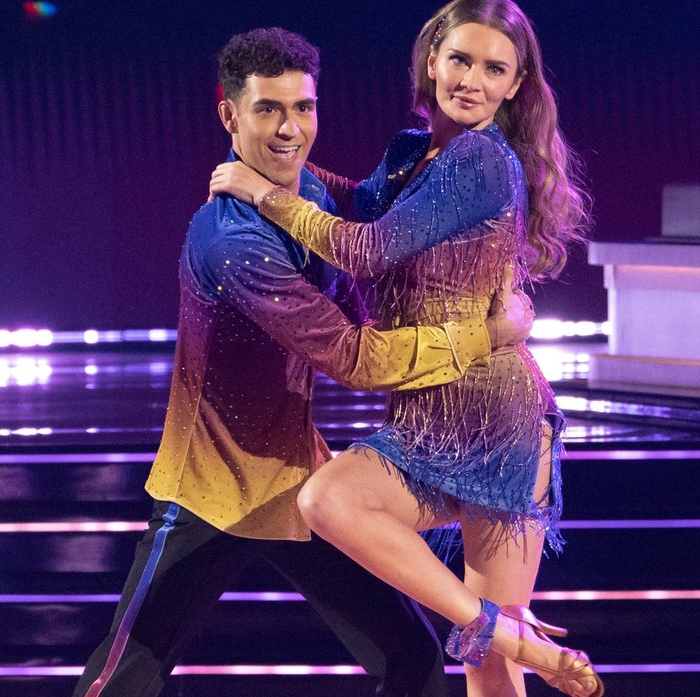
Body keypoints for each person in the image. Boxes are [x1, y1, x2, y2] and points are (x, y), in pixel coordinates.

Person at [73, 26, 534, 697]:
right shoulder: (230, 238)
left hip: (297, 476)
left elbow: (363, 227)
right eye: (268, 110)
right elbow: (356, 354)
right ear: (229, 113)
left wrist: (285, 183)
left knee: (413, 656)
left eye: (304, 109)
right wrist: (488, 333)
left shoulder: (305, 198)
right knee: (125, 677)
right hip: (214, 486)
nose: (291, 129)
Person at [208, 2, 601, 696]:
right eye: (460, 59)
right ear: (430, 60)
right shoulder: (410, 150)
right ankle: (500, 626)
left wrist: (263, 193)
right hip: (428, 418)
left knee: (488, 666)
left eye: (494, 69)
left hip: (500, 420)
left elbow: (367, 249)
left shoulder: (480, 160)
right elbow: (358, 206)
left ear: (515, 85)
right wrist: (279, 163)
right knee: (332, 502)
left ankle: (499, 632)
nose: (472, 80)